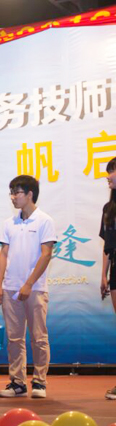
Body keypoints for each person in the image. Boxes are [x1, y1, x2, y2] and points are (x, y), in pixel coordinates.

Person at [0, 175, 57, 399]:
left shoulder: (44, 220)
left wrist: (29, 284)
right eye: (11, 193)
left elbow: (46, 254)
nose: (13, 197)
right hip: (10, 287)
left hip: (35, 288)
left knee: (38, 336)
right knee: (14, 338)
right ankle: (17, 383)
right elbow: (3, 254)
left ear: (30, 194)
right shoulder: (9, 223)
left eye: (17, 192)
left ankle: (39, 382)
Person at [101, 158, 116, 400]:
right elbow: (107, 245)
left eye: (111, 171)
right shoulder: (108, 208)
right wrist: (103, 274)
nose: (108, 176)